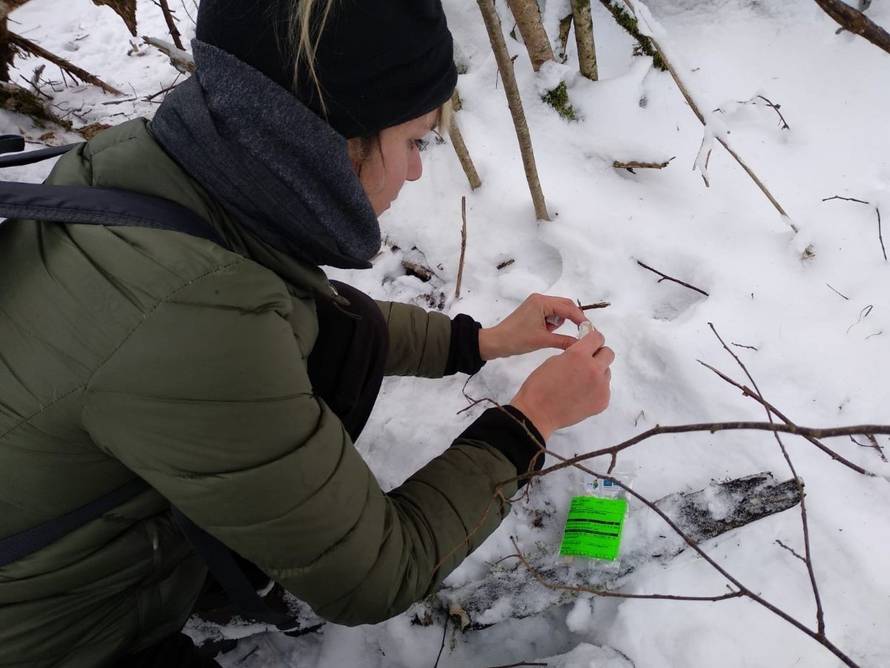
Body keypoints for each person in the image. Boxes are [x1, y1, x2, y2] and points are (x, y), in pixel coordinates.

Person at [0, 0, 615, 666]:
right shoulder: (195, 317)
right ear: (330, 138)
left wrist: (479, 342)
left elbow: (312, 313)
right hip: (49, 636)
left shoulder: (154, 171)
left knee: (345, 333)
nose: (415, 172)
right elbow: (377, 576)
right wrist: (530, 422)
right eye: (415, 141)